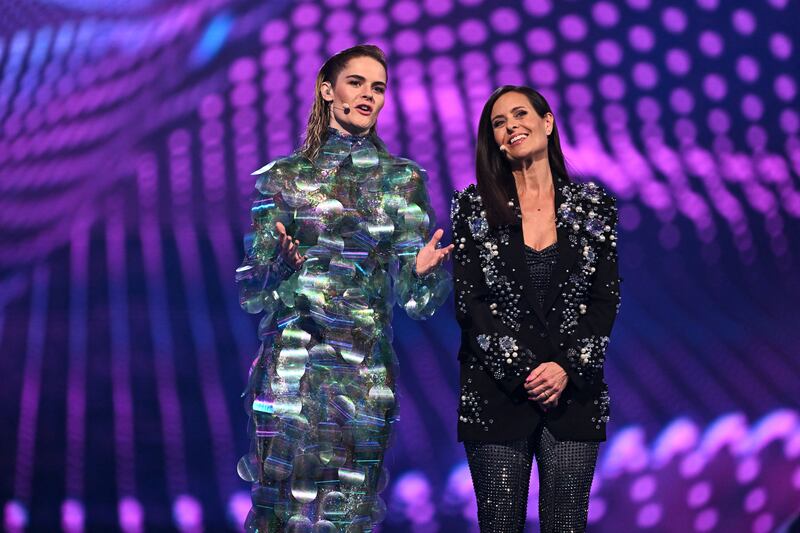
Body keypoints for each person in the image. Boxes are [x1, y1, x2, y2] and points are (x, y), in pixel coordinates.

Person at [235, 44, 453, 532]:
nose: (369, 96)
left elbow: (417, 303)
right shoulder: (284, 179)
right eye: (357, 83)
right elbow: (251, 291)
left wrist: (421, 271)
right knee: (281, 513)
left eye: (378, 88)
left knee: (348, 515)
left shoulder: (401, 181)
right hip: (293, 370)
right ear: (327, 90)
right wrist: (280, 267)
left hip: (362, 375)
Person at [451, 85, 621, 533]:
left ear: (547, 123)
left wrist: (564, 367)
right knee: (500, 524)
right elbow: (472, 304)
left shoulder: (594, 205)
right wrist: (525, 371)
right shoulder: (472, 207)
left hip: (573, 395)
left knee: (566, 524)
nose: (511, 126)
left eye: (520, 114)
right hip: (497, 393)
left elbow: (605, 302)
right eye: (499, 123)